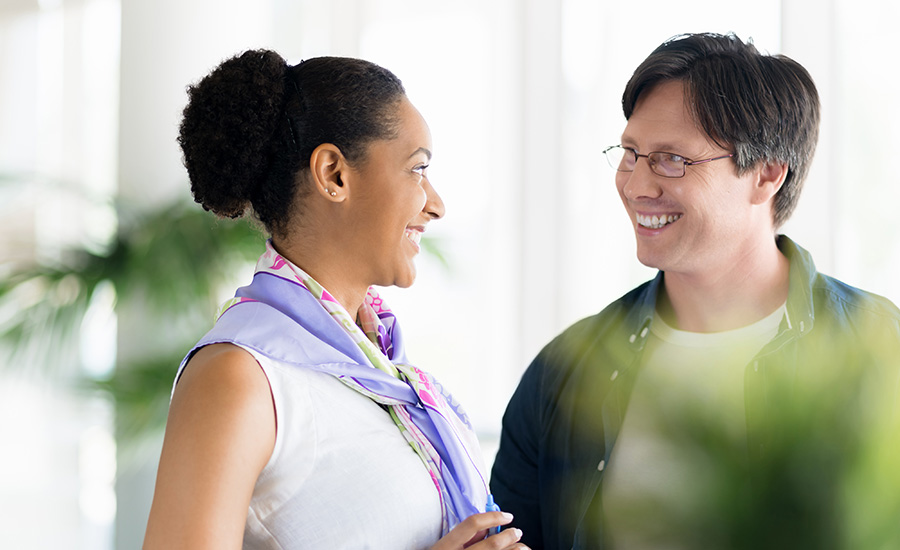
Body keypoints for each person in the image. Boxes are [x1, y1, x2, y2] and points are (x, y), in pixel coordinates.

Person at [490, 32, 900, 550]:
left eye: (671, 159)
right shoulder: (568, 370)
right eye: (630, 153)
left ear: (767, 173)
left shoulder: (879, 350)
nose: (636, 186)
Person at [143, 50, 528, 550]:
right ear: (334, 175)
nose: (436, 204)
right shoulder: (238, 376)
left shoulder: (383, 373)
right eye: (418, 169)